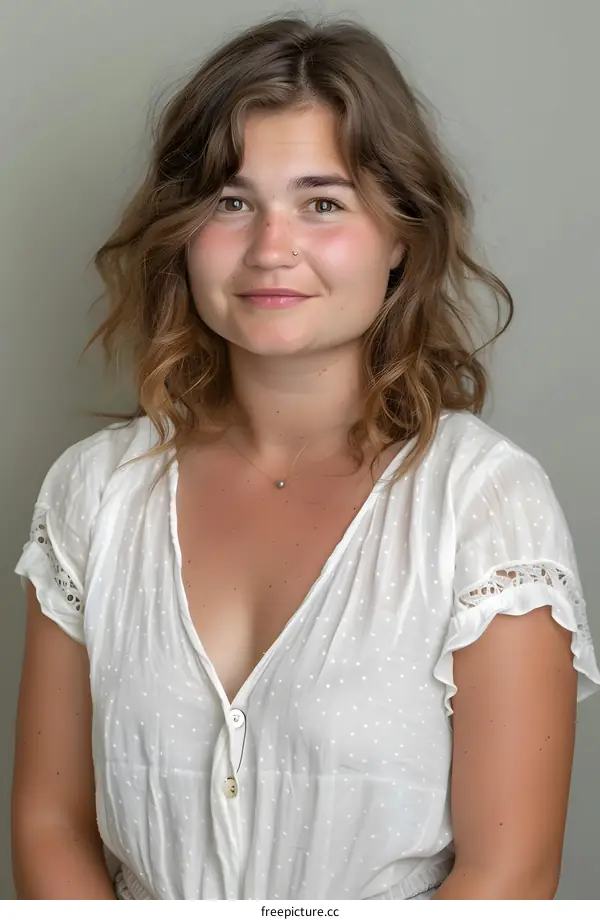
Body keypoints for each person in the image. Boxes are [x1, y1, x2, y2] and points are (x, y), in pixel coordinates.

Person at [12, 14, 600, 901]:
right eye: (232, 202)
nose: (269, 249)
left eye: (323, 203)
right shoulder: (94, 494)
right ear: (184, 230)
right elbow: (50, 823)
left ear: (400, 237)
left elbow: (508, 875)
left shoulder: (482, 501)